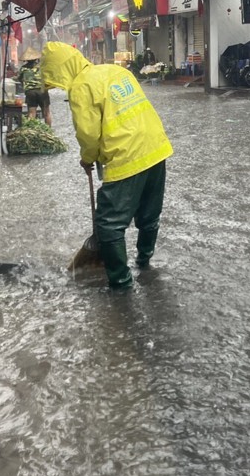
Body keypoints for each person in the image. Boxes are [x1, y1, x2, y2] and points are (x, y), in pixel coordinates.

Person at [40, 41, 173, 290]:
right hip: (156, 148)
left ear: (59, 71)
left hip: (126, 155)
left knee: (109, 223)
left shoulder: (81, 87)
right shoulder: (116, 71)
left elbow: (88, 134)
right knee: (149, 214)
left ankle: (121, 282)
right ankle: (144, 262)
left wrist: (87, 158)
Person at [18, 53, 51, 127]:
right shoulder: (42, 67)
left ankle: (31, 129)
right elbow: (48, 77)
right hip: (42, 91)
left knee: (31, 113)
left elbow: (19, 79)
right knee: (46, 113)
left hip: (30, 92)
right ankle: (49, 130)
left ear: (26, 60)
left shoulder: (23, 68)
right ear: (36, 59)